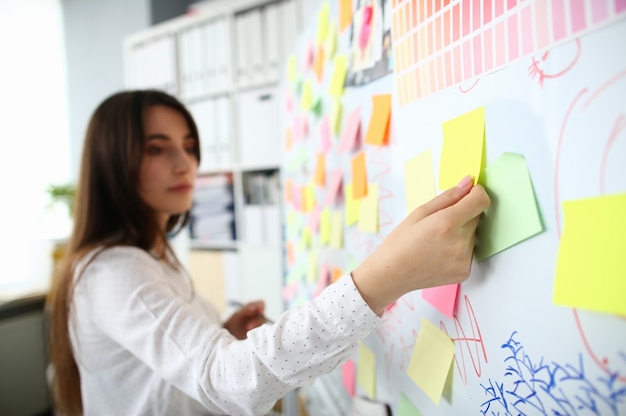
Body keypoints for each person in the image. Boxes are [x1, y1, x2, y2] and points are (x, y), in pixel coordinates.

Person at [47, 89, 490, 416]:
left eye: (188, 146)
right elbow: (229, 383)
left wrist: (218, 330)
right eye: (156, 148)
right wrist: (385, 277)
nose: (185, 164)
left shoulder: (152, 257)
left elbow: (158, 375)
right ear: (111, 162)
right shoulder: (114, 271)